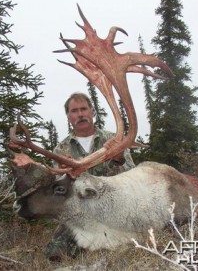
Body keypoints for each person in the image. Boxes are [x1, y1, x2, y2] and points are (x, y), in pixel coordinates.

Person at [44, 92, 135, 261]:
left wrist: (119, 159)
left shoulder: (114, 140)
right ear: (69, 117)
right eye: (74, 111)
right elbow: (59, 192)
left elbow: (132, 176)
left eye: (84, 109)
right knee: (55, 254)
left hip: (116, 207)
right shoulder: (61, 151)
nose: (80, 114)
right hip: (82, 214)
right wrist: (67, 178)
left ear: (92, 112)